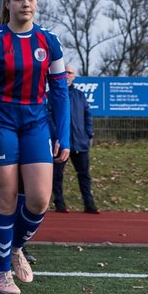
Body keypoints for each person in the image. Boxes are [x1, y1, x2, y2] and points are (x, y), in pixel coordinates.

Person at [0, 0, 71, 294]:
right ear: (7, 4)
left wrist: (63, 135)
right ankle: (1, 273)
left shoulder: (49, 40)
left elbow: (60, 92)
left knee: (40, 199)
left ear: (37, 3)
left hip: (36, 125)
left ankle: (15, 248)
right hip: (0, 124)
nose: (25, 4)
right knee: (6, 199)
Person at [52, 64, 100, 213]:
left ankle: (89, 204)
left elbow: (88, 115)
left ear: (74, 76)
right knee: (57, 175)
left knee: (84, 175)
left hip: (80, 143)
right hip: (60, 145)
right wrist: (56, 138)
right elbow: (48, 117)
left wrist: (89, 133)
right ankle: (59, 203)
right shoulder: (52, 94)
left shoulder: (80, 95)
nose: (66, 75)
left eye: (69, 73)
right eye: (63, 72)